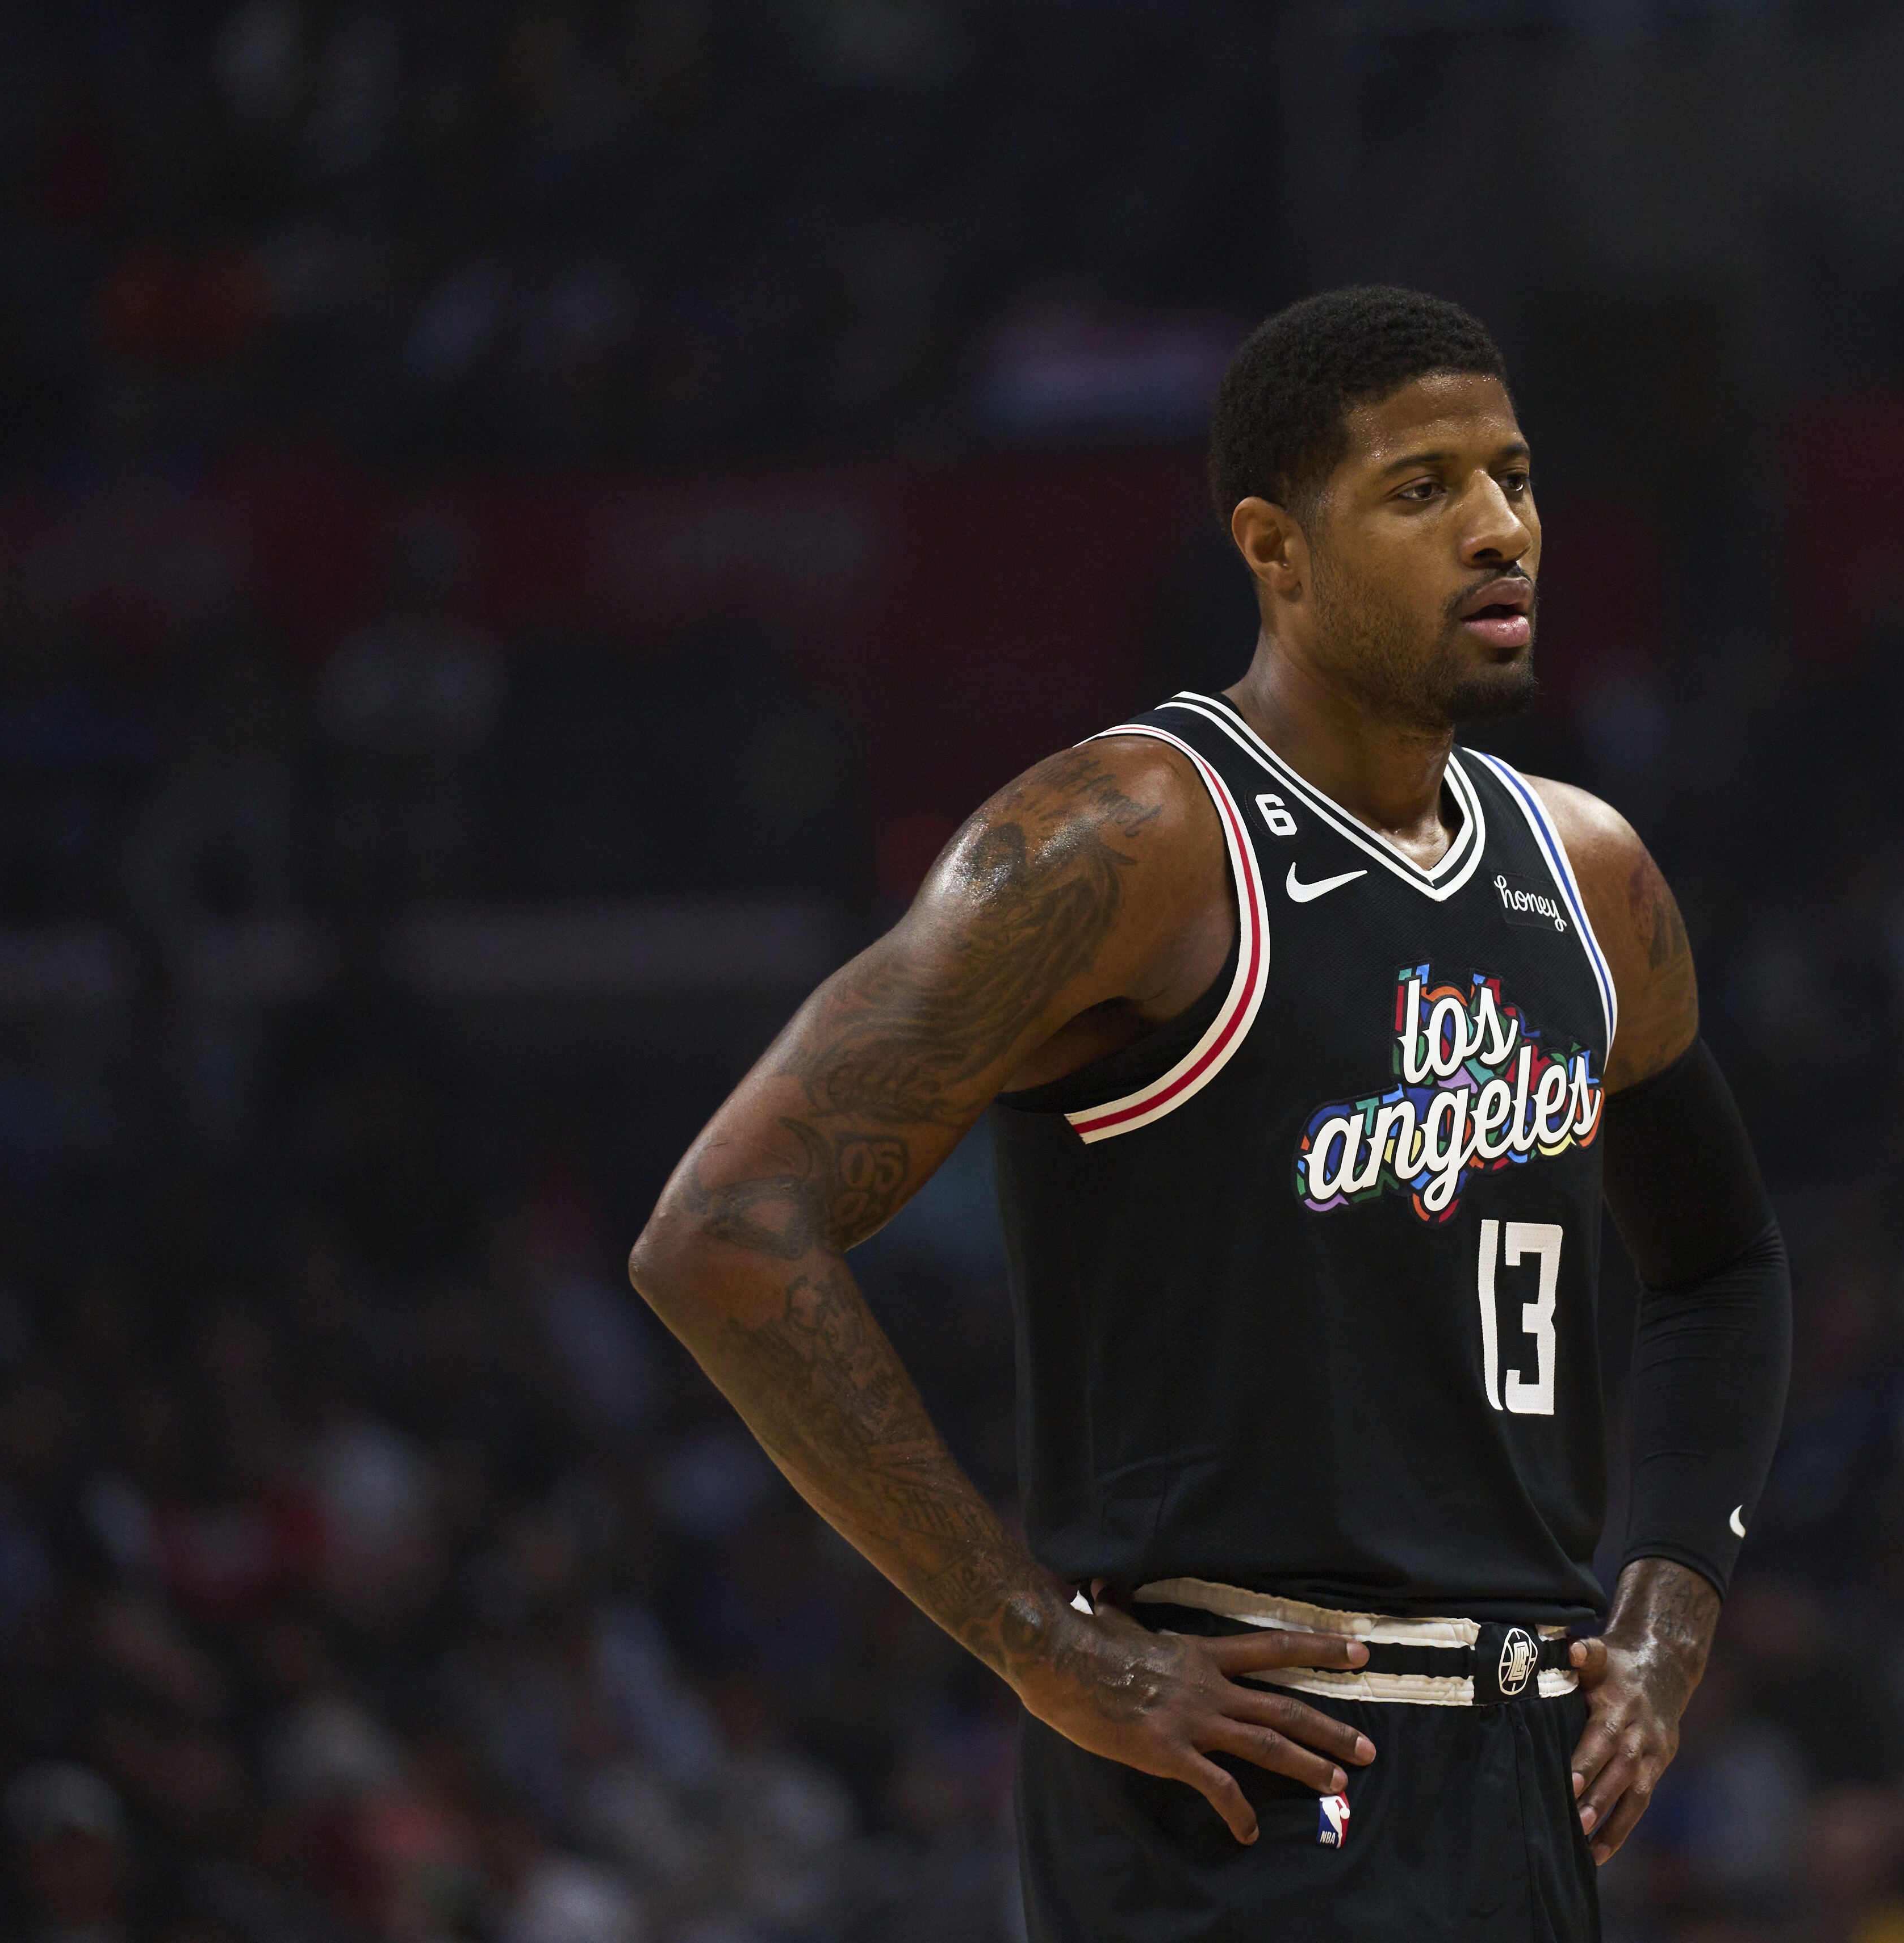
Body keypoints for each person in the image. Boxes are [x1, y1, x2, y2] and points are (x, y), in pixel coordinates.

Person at [626, 286, 1792, 1940]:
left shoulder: (1590, 877)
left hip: (1522, 1779)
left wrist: (1671, 1608)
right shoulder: (1130, 834)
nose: (1497, 529)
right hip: (1229, 1781)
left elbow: (1724, 1268)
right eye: (1421, 488)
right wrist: (1037, 1643)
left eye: (1513, 478)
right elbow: (723, 1233)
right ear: (1275, 544)